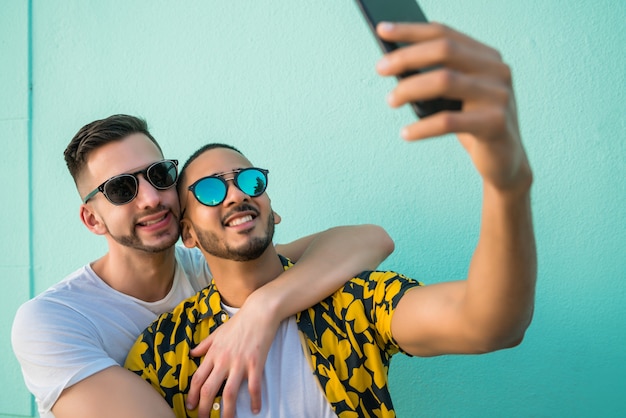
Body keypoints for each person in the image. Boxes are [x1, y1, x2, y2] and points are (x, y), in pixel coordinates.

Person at [124, 21, 537, 418]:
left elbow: (490, 323)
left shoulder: (348, 302)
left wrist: (508, 186)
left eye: (251, 182)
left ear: (273, 210)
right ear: (189, 234)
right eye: (211, 190)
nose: (236, 194)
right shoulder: (166, 349)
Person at [11, 114, 395, 418]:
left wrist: (262, 309)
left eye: (159, 176)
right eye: (122, 189)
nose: (150, 198)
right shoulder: (53, 321)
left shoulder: (216, 272)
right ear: (93, 220)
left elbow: (369, 240)